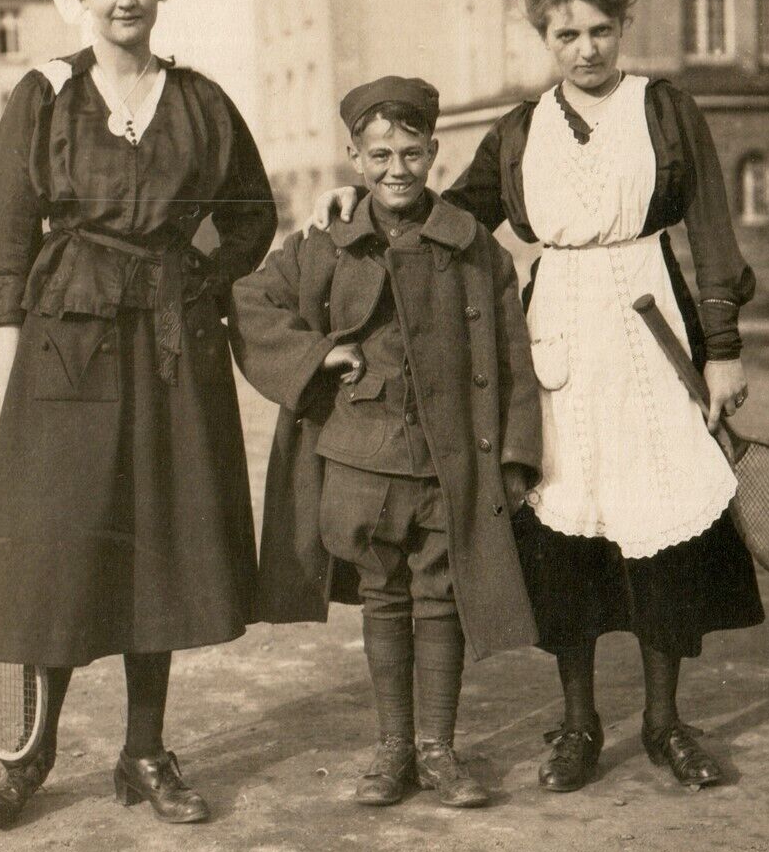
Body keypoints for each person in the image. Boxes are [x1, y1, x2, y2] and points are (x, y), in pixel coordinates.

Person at [311, 0, 764, 794]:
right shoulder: (519, 129)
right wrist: (357, 206)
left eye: (598, 30)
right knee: (564, 533)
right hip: (555, 339)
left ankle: (664, 722)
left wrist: (724, 346)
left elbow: (710, 234)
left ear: (622, 26)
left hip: (651, 328)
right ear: (543, 37)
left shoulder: (663, 109)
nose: (585, 49)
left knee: (661, 523)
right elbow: (451, 216)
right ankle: (578, 723)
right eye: (566, 35)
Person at [0, 0, 277, 829]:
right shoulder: (45, 95)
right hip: (67, 340)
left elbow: (252, 215)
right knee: (63, 541)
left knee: (162, 537)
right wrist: (2, 363)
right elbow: (7, 237)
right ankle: (35, 750)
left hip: (172, 342)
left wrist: (200, 275)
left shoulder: (201, 101)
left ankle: (144, 751)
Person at [232, 76, 541, 808]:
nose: (395, 169)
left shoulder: (474, 250)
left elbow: (512, 356)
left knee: (441, 598)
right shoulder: (328, 242)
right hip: (359, 458)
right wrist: (318, 356)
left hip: (449, 459)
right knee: (383, 595)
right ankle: (391, 752)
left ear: (434, 152)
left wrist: (516, 455)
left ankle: (437, 751)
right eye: (378, 155)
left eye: (410, 153)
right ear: (353, 157)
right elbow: (249, 301)